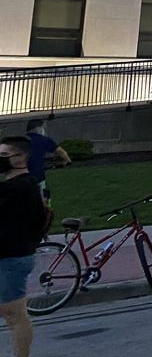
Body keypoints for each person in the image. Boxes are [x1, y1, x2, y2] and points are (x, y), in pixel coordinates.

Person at [0, 136, 47, 357]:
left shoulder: (21, 186)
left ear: (20, 158)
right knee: (10, 312)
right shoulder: (16, 185)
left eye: (3, 156)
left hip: (11, 258)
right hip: (10, 255)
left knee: (14, 314)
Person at [23, 119, 69, 204]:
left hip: (20, 176)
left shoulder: (21, 141)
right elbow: (60, 151)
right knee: (43, 199)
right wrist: (67, 161)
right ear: (37, 128)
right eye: (42, 127)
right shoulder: (43, 140)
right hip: (37, 176)